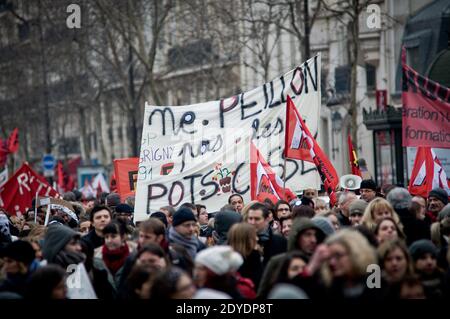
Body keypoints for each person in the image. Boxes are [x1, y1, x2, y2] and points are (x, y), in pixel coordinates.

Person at [92, 219, 137, 299]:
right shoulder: (96, 257)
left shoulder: (135, 256)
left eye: (113, 236)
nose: (109, 240)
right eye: (106, 237)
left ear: (123, 237)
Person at [227, 223, 263, 290]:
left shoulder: (229, 261)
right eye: (253, 236)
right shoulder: (252, 258)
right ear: (244, 240)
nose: (257, 239)